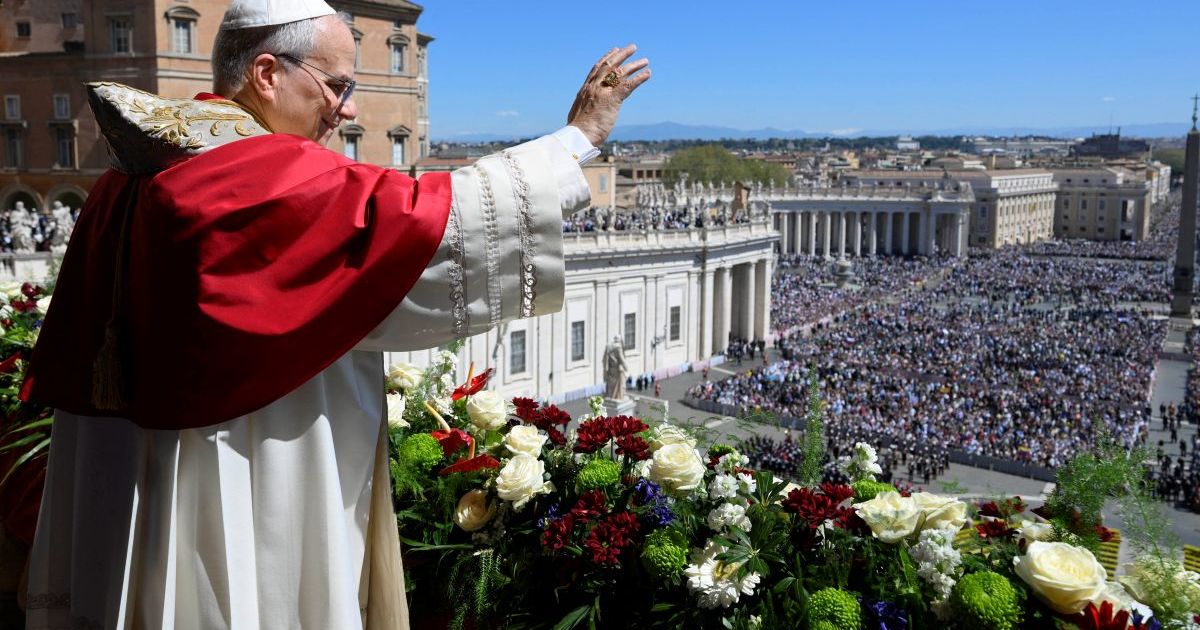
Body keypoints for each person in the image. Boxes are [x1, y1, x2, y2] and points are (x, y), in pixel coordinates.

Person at [20, 0, 650, 628]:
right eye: (337, 85)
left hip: (133, 468)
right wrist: (578, 139)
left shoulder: (143, 162)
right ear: (267, 75)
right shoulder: (254, 172)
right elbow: (425, 221)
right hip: (242, 465)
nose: (347, 108)